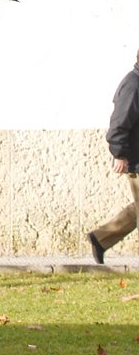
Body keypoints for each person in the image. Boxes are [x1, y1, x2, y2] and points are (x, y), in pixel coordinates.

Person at [87, 49, 139, 264]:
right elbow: (119, 123)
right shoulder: (133, 85)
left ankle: (101, 238)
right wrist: (119, 154)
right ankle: (100, 238)